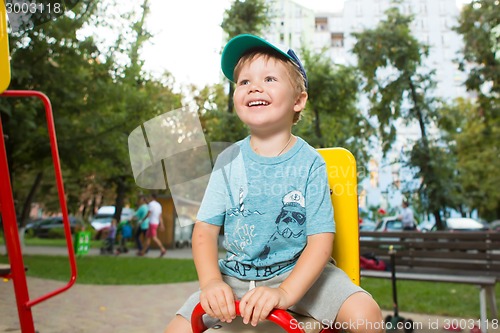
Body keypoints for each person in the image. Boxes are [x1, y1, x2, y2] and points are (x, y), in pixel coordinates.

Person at [164, 34, 382, 333]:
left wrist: (285, 293)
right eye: (243, 82)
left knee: (366, 316)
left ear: (298, 100)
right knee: (175, 329)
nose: (254, 86)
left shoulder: (310, 163)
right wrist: (213, 283)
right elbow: (204, 231)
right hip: (237, 279)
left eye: (269, 79)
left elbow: (320, 241)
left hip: (302, 275)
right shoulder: (228, 160)